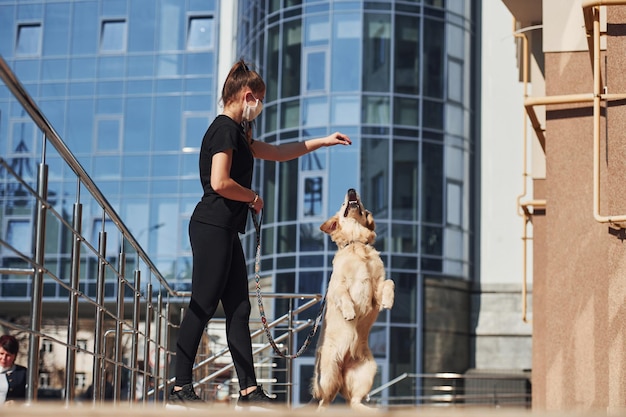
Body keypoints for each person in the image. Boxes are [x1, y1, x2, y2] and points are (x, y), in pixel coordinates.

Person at [167, 59, 351, 411]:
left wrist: (325, 141)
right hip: (211, 226)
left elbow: (281, 153)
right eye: (260, 100)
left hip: (224, 229)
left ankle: (249, 392)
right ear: (248, 96)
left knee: (239, 309)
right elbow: (220, 182)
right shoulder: (223, 129)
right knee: (203, 304)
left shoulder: (238, 134)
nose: (259, 108)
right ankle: (180, 387)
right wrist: (253, 197)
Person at [0, 335, 27, 406]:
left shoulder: (22, 373)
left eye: (8, 355)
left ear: (14, 356)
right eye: (1, 354)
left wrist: (17, 403)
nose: (3, 358)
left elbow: (28, 398)